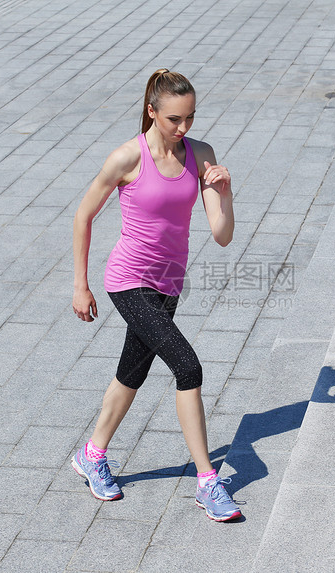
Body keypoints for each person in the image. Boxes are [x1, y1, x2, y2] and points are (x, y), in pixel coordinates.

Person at [70, 69, 241, 522]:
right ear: (151, 111)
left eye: (189, 118)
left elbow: (221, 236)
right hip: (128, 282)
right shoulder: (127, 157)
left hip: (169, 284)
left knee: (132, 372)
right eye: (174, 119)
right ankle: (208, 481)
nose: (183, 128)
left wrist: (223, 194)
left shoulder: (200, 155)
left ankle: (92, 453)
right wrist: (80, 284)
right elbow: (84, 215)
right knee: (188, 366)